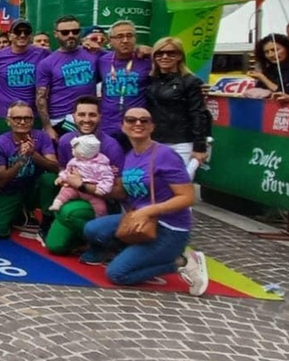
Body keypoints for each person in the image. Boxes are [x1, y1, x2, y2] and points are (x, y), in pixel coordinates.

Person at [81, 108, 208, 295]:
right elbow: (124, 193)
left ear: (152, 126)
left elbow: (187, 198)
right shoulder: (130, 156)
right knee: (92, 229)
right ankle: (136, 253)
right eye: (131, 120)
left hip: (169, 228)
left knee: (117, 274)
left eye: (144, 120)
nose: (138, 124)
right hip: (139, 221)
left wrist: (148, 211)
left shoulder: (165, 155)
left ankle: (181, 262)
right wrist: (83, 182)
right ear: (122, 126)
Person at [44, 95, 128, 255]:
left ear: (100, 116)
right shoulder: (66, 141)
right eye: (82, 114)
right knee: (55, 246)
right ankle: (83, 235)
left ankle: (106, 239)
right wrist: (65, 181)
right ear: (73, 116)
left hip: (103, 203)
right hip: (74, 196)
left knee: (69, 214)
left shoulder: (111, 146)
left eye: (92, 115)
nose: (87, 119)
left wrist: (83, 185)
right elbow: (63, 169)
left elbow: (120, 193)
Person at [0, 102, 59, 239]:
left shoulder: (42, 137)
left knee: (49, 180)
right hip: (11, 190)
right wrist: (21, 161)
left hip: (35, 188)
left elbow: (56, 168)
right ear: (8, 121)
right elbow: (0, 181)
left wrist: (33, 155)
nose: (22, 122)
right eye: (17, 118)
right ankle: (20, 212)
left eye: (27, 118)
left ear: (33, 121)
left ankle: (47, 222)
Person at [145, 37, 211, 176]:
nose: (164, 56)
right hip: (155, 141)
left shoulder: (191, 81)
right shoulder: (151, 80)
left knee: (180, 185)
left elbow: (198, 114)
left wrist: (200, 147)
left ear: (180, 56)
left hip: (181, 142)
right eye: (159, 53)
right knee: (158, 185)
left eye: (171, 53)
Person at [37, 16, 101, 141]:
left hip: (88, 118)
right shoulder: (47, 63)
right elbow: (41, 97)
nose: (71, 35)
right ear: (56, 34)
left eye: (75, 31)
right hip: (61, 120)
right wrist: (48, 127)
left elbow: (119, 57)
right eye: (65, 32)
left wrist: (142, 49)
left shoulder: (94, 53)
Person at [0, 20, 48, 134]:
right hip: (4, 115)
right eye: (18, 32)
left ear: (31, 36)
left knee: (32, 148)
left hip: (32, 113)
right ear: (10, 36)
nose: (22, 35)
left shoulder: (42, 54)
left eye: (26, 32)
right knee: (5, 149)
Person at [97, 21, 153, 136]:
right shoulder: (102, 61)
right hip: (108, 126)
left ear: (135, 38)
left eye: (129, 35)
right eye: (119, 36)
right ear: (110, 41)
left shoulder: (148, 60)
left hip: (137, 126)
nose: (125, 40)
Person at [249, 33, 289, 97]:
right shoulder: (268, 71)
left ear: (287, 48)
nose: (271, 55)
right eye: (267, 52)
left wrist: (263, 78)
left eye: (275, 50)